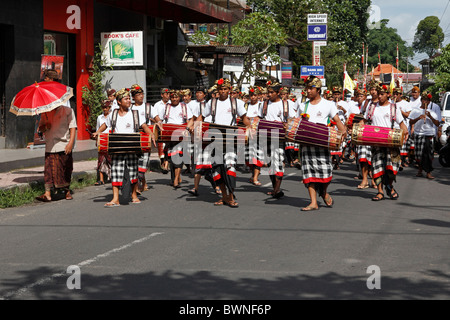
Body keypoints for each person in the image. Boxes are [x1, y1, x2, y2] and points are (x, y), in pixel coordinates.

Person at [188, 78, 252, 208]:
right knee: (217, 170)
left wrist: (250, 128)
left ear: (229, 90)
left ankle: (231, 196)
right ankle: (224, 196)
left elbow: (244, 118)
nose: (223, 91)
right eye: (221, 89)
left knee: (230, 168)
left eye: (225, 89)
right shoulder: (212, 103)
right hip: (215, 141)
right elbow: (202, 117)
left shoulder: (237, 103)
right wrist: (195, 126)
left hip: (230, 141)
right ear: (218, 90)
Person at [93, 88, 156, 207]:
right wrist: (97, 133)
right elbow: (105, 124)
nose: (129, 101)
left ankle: (134, 195)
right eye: (126, 99)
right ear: (119, 101)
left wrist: (151, 134)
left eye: (129, 98)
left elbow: (144, 126)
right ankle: (115, 198)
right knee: (116, 172)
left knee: (133, 172)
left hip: (132, 147)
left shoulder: (135, 114)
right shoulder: (113, 114)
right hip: (117, 148)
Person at [297, 76, 347, 211]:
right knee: (309, 175)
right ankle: (313, 202)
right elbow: (297, 124)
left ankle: (324, 192)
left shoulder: (328, 104)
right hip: (306, 146)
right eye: (306, 88)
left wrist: (342, 134)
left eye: (310, 88)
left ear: (318, 90)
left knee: (325, 173)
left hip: (322, 145)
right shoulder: (303, 106)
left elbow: (338, 122)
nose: (307, 91)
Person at [367, 84, 408, 201]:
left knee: (392, 168)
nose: (379, 96)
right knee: (377, 167)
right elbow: (364, 120)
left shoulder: (393, 108)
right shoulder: (372, 107)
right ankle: (380, 191)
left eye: (382, 94)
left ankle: (389, 186)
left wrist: (405, 131)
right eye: (378, 94)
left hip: (392, 142)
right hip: (376, 142)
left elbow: (401, 123)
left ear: (387, 95)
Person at [35, 102, 77, 202]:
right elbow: (40, 128)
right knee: (48, 171)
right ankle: (47, 193)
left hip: (63, 145)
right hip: (50, 145)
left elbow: (73, 128)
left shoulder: (68, 111)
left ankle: (67, 191)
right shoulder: (45, 113)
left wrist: (71, 143)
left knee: (65, 169)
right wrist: (45, 127)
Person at [260, 81, 296, 198]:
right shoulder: (264, 104)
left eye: (271, 92)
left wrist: (285, 125)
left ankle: (277, 189)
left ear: (278, 92)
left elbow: (293, 119)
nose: (269, 95)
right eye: (268, 92)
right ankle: (275, 187)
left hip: (279, 138)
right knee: (270, 163)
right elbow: (260, 118)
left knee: (279, 161)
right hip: (266, 137)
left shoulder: (286, 104)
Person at [154, 90, 193, 189]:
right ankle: (176, 177)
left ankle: (176, 180)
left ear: (179, 98)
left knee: (179, 155)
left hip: (181, 134)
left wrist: (187, 129)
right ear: (170, 98)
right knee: (171, 156)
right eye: (172, 97)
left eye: (176, 97)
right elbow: (160, 119)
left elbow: (191, 119)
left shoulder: (184, 106)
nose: (174, 99)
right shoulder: (166, 107)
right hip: (169, 135)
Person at [187, 87, 219, 197]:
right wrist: (189, 128)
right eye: (213, 94)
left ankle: (217, 186)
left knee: (213, 165)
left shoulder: (222, 105)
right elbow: (194, 118)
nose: (215, 96)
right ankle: (195, 188)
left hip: (214, 137)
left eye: (215, 94)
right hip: (201, 137)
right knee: (199, 164)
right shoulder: (200, 106)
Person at [409, 91, 440, 180]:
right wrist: (419, 118)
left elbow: (437, 124)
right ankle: (420, 170)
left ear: (429, 102)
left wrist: (430, 116)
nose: (425, 102)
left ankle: (428, 172)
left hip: (429, 134)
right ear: (421, 100)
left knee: (428, 154)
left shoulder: (432, 112)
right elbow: (411, 122)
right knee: (419, 154)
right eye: (424, 100)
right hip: (419, 134)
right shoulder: (415, 110)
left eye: (427, 100)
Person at [355, 81, 379, 189]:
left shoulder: (383, 102)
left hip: (378, 132)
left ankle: (374, 180)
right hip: (366, 131)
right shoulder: (367, 102)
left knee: (375, 158)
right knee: (363, 156)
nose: (373, 92)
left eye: (375, 90)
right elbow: (362, 117)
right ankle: (365, 180)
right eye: (372, 90)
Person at [129, 84, 152, 193]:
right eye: (138, 95)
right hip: (134, 137)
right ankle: (140, 184)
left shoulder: (148, 107)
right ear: (133, 97)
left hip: (146, 136)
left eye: (142, 94)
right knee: (136, 161)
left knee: (144, 161)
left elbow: (157, 119)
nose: (141, 96)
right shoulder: (130, 108)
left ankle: (139, 184)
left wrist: (158, 125)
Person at [244, 86, 264, 186]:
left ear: (259, 96)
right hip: (247, 135)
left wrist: (251, 118)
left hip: (258, 134)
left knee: (258, 155)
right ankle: (253, 174)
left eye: (255, 95)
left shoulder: (261, 106)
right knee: (248, 156)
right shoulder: (245, 106)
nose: (252, 97)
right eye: (251, 95)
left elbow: (261, 118)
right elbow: (241, 117)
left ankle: (255, 177)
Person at [153, 88, 171, 174]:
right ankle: (163, 162)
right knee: (161, 145)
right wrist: (158, 123)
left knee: (168, 145)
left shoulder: (171, 104)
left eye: (168, 94)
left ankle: (166, 163)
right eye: (165, 94)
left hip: (169, 127)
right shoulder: (157, 105)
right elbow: (153, 116)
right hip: (160, 127)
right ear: (162, 95)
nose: (167, 95)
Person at [94, 99, 112, 186]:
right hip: (102, 140)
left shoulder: (112, 116)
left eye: (106, 107)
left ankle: (112, 177)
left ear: (109, 107)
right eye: (103, 107)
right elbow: (98, 129)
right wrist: (97, 139)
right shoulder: (99, 118)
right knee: (101, 159)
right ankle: (101, 179)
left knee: (111, 159)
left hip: (110, 139)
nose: (105, 109)